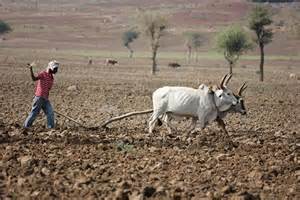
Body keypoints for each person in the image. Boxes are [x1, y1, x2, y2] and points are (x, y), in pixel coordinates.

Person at [23, 60, 59, 130]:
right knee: (34, 113)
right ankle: (26, 126)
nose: (56, 70)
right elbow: (34, 79)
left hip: (45, 99)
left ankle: (50, 128)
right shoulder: (43, 74)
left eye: (56, 69)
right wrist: (31, 69)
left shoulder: (51, 77)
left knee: (50, 113)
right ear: (50, 68)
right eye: (55, 69)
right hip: (39, 97)